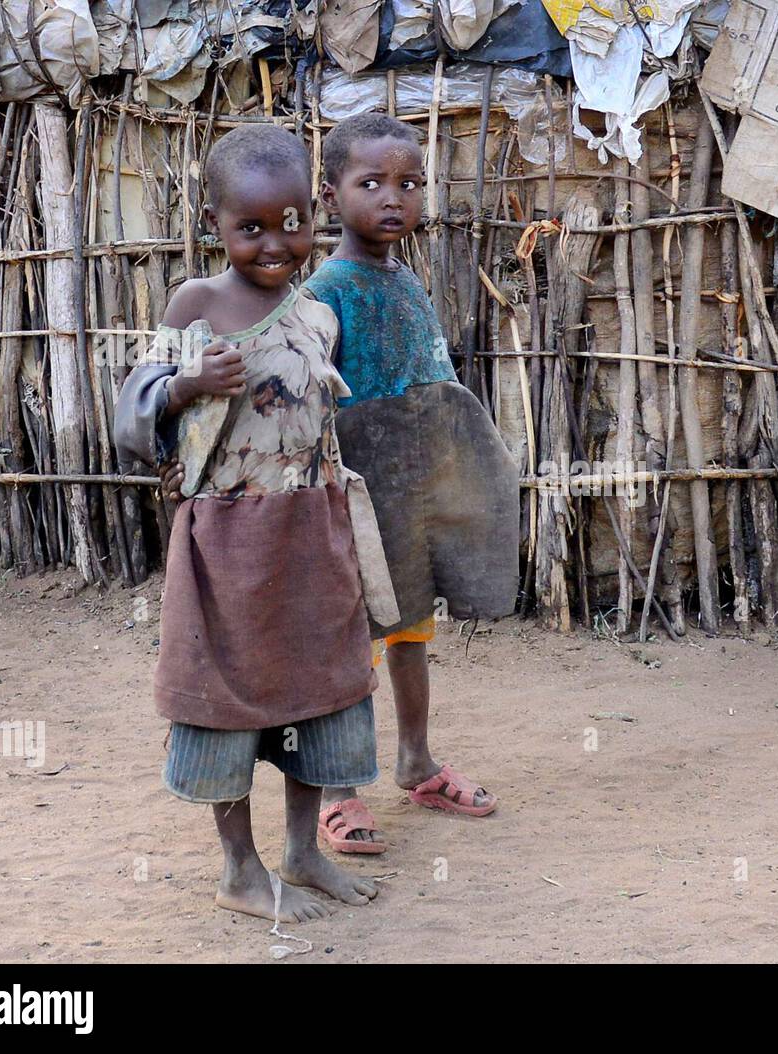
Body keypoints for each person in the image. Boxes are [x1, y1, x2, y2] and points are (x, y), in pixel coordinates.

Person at [115, 125, 383, 920]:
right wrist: (186, 384)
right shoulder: (196, 305)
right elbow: (131, 414)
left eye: (292, 222)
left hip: (314, 533)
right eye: (251, 228)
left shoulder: (318, 314)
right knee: (222, 698)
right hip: (228, 543)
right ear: (215, 227)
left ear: (315, 215)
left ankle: (303, 853)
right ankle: (240, 868)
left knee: (321, 692)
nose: (275, 243)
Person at [302, 112, 519, 852]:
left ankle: (417, 761)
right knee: (351, 643)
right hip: (360, 502)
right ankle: (337, 791)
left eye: (410, 183)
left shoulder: (403, 280)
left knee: (412, 633)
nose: (393, 198)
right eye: (371, 184)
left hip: (417, 498)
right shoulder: (327, 290)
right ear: (329, 196)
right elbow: (314, 396)